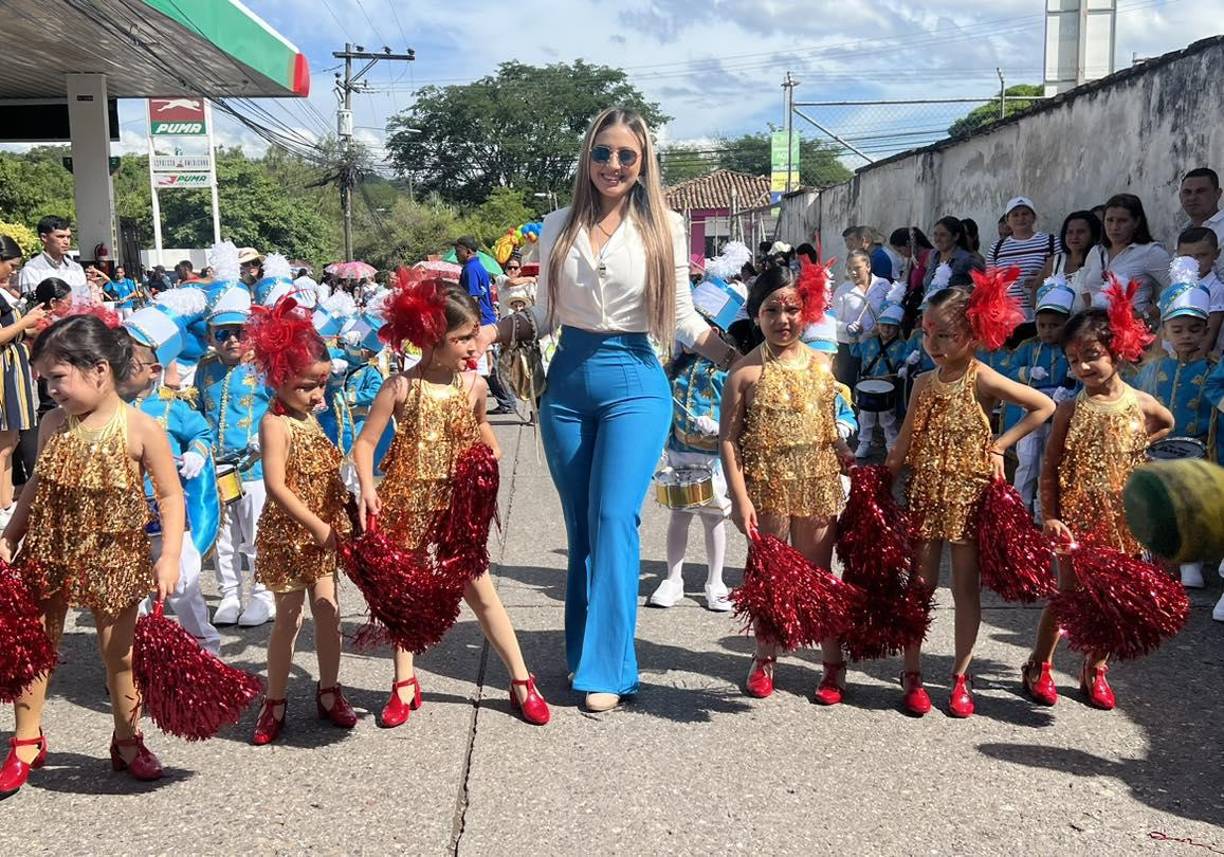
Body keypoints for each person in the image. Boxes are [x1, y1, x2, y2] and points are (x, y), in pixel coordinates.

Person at [476, 107, 739, 713]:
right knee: (581, 525)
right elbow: (542, 315)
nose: (613, 165)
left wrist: (737, 358)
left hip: (636, 382)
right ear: (586, 158)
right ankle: (583, 647)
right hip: (566, 383)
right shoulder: (557, 223)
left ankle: (610, 666)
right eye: (602, 153)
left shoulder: (665, 226)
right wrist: (492, 331)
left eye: (626, 154)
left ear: (644, 161)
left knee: (615, 517)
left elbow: (680, 321)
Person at [354, 275, 550, 728]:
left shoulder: (473, 387)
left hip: (458, 509)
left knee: (482, 592)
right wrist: (367, 486)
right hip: (407, 502)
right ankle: (404, 681)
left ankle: (521, 679)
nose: (472, 346)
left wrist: (491, 450)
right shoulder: (400, 387)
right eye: (460, 338)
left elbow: (480, 426)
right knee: (408, 594)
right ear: (430, 338)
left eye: (472, 336)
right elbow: (365, 445)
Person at [0, 315, 184, 795]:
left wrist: (169, 556)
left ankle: (127, 739)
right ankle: (25, 739)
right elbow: (37, 484)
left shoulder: (141, 428)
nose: (52, 390)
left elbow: (169, 496)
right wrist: (11, 534)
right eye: (46, 380)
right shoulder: (53, 423)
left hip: (116, 555)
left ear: (99, 370)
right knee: (34, 648)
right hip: (50, 546)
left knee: (117, 653)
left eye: (58, 378)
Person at [885, 272, 1055, 718]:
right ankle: (912, 671)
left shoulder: (983, 377)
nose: (934, 344)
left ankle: (960, 675)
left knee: (964, 590)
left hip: (968, 497)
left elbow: (1044, 406)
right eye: (927, 334)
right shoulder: (922, 383)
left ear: (974, 333)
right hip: (926, 494)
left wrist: (1000, 444)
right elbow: (902, 445)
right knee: (919, 588)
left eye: (946, 335)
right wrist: (878, 485)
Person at [1022, 300, 1174, 710]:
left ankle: (1095, 667)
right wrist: (1051, 516)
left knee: (1110, 600)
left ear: (1116, 350)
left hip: (1123, 522)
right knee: (1068, 599)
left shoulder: (1140, 405)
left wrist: (1137, 448)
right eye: (1074, 361)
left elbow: (1167, 423)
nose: (1083, 367)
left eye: (1091, 356)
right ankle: (1039, 663)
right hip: (1075, 524)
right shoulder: (1070, 409)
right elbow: (1049, 467)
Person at [720, 261, 854, 702]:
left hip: (816, 486)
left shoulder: (821, 366)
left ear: (807, 311)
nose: (783, 320)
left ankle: (833, 664)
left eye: (792, 309)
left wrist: (843, 453)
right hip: (766, 488)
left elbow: (829, 427)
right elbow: (729, 441)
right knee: (768, 577)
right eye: (772, 311)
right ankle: (764, 656)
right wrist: (740, 500)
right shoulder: (743, 373)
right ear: (757, 314)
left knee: (820, 575)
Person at [246, 300, 356, 745]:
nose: (318, 396)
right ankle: (275, 700)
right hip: (291, 536)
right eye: (308, 386)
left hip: (324, 534)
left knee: (328, 615)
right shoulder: (276, 424)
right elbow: (277, 486)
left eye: (322, 384)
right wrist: (316, 526)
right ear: (279, 379)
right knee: (288, 619)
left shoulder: (311, 420)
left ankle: (329, 690)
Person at [120, 306, 221, 654]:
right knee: (131, 591)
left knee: (183, 587)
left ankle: (206, 651)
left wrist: (196, 452)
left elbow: (202, 432)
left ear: (154, 370)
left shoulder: (172, 408)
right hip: (123, 515)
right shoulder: (108, 408)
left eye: (127, 363)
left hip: (169, 515)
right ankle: (139, 657)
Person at [648, 279, 741, 612]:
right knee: (678, 516)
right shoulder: (673, 370)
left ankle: (715, 581)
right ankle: (674, 578)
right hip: (679, 453)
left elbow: (737, 413)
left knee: (714, 518)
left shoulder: (725, 373)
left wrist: (719, 428)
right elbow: (665, 411)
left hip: (713, 457)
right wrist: (659, 443)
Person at [193, 285, 276, 627]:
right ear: (211, 336)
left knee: (256, 533)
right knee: (223, 537)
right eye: (223, 333)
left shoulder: (264, 368)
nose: (232, 340)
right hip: (218, 468)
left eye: (239, 332)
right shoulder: (205, 369)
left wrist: (265, 440)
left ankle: (263, 595)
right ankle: (229, 593)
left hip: (254, 469)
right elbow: (198, 410)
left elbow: (280, 407)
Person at [1134, 259, 1217, 589]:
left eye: (1194, 329)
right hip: (1156, 449)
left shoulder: (1213, 371)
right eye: (1178, 329)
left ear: (1205, 331)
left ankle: (1191, 564)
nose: (1185, 336)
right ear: (1165, 331)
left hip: (1197, 449)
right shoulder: (1152, 370)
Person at [1005, 277, 1075, 517]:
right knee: (1026, 459)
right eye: (1042, 324)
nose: (1047, 330)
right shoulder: (1027, 347)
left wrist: (1070, 391)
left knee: (1049, 461)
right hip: (1031, 412)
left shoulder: (1071, 349)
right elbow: (1011, 372)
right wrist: (1027, 372)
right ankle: (1019, 508)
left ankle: (1043, 511)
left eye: (1054, 325)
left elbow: (1079, 376)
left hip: (1058, 414)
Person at [0, 238, 42, 524]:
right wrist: (24, 323)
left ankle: (5, 502)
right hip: (3, 373)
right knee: (3, 442)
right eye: (11, 266)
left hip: (13, 369)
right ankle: (3, 504)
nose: (12, 272)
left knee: (11, 439)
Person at [1080, 193, 1171, 318]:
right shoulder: (1096, 251)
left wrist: (1145, 315)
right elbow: (1085, 288)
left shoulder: (1150, 252)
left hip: (1131, 331)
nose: (1114, 227)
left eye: (1122, 221)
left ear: (1136, 222)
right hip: (1097, 330)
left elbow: (1177, 288)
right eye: (1110, 220)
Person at [456, 236, 516, 416]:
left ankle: (507, 400)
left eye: (459, 250)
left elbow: (472, 299)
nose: (457, 254)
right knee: (486, 365)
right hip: (484, 320)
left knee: (489, 365)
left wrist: (467, 324)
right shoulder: (477, 267)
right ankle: (505, 401)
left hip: (480, 323)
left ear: (468, 251)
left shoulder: (471, 269)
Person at [988, 197, 1062, 342]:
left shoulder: (1050, 242)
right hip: (1007, 321)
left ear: (1033, 217)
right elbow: (989, 284)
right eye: (1015, 215)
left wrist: (1042, 280)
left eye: (1025, 214)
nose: (1020, 218)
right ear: (1007, 220)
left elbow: (1062, 273)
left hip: (1040, 319)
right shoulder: (997, 248)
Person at [852, 290, 909, 458]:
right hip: (866, 385)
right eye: (884, 325)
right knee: (866, 418)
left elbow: (904, 360)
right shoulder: (869, 342)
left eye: (891, 326)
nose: (887, 329)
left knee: (888, 419)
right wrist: (854, 338)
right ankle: (864, 444)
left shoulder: (900, 345)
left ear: (897, 328)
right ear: (878, 325)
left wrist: (905, 366)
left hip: (887, 387)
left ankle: (891, 445)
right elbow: (855, 353)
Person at [832, 249, 890, 388]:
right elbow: (833, 321)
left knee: (874, 383)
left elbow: (891, 311)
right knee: (846, 385)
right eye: (849, 268)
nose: (853, 272)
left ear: (868, 266)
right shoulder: (843, 291)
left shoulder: (883, 286)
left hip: (876, 344)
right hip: (848, 346)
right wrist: (847, 327)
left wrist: (883, 326)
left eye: (857, 268)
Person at [1038, 211, 1101, 311]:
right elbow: (1035, 297)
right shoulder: (1054, 261)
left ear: (1093, 234)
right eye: (1070, 232)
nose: (1074, 237)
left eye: (1081, 232)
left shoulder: (1098, 261)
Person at [1176, 227, 1224, 350]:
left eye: (1201, 255)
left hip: (1194, 359)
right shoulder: (1176, 284)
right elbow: (1163, 326)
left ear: (1216, 254)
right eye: (1187, 257)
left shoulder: (1215, 289)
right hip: (1168, 359)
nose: (1194, 263)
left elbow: (1209, 335)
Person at [1178, 167, 1224, 277]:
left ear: (1218, 194)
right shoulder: (1185, 229)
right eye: (1187, 192)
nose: (1192, 197)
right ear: (1180, 197)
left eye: (1200, 191)